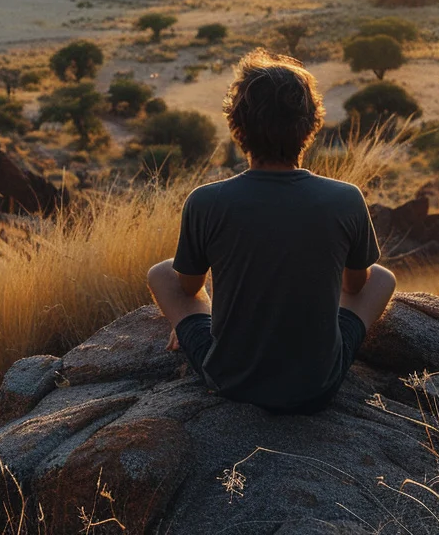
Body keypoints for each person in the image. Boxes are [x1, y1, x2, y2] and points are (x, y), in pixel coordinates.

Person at [147, 49, 396, 414]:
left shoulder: (205, 201)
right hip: (316, 387)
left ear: (237, 125)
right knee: (382, 278)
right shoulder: (346, 198)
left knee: (162, 273)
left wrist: (196, 323)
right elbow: (355, 286)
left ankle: (207, 335)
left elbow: (188, 288)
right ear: (311, 125)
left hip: (230, 380)